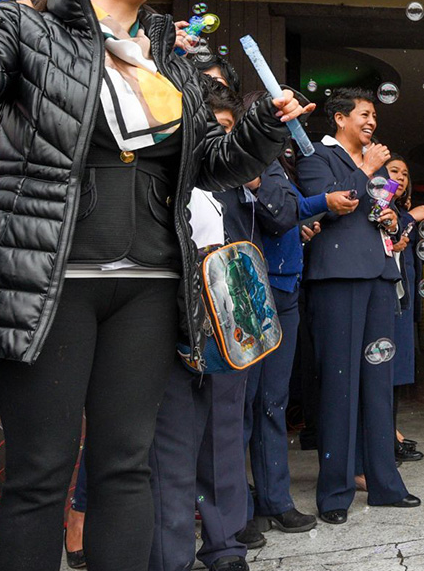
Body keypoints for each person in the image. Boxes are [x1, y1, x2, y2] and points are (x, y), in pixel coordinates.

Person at [0, 0, 308, 571]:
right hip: (48, 277)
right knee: (40, 470)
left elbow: (210, 166)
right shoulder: (29, 31)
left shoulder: (169, 63)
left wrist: (262, 126)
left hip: (149, 284)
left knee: (126, 466)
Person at [222, 92, 355, 540]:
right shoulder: (239, 157)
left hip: (285, 288)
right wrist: (308, 209)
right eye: (283, 115)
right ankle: (237, 509)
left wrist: (305, 214)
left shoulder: (279, 161)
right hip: (250, 290)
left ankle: (274, 500)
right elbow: (278, 213)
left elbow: (287, 209)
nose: (292, 123)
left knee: (273, 402)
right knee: (242, 405)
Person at [148, 80, 258, 571]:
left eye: (226, 130)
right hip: (169, 320)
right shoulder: (158, 178)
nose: (216, 139)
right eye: (206, 127)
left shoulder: (226, 188)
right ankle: (171, 555)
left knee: (224, 435)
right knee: (172, 445)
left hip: (224, 323)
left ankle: (225, 543)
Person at [296, 89, 417, 525]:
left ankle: (385, 484)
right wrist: (365, 170)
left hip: (380, 276)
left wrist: (394, 220)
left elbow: (388, 213)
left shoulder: (377, 165)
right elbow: (327, 205)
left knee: (377, 384)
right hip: (338, 278)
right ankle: (335, 492)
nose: (372, 123)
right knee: (339, 384)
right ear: (340, 118)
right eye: (365, 114)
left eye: (375, 117)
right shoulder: (315, 156)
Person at [386, 155, 424, 461]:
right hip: (387, 297)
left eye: (404, 173)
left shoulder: (401, 211)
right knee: (386, 369)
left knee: (397, 370)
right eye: (393, 171)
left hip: (402, 297)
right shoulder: (381, 207)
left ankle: (391, 431)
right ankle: (387, 437)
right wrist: (412, 216)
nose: (401, 177)